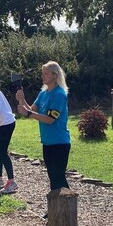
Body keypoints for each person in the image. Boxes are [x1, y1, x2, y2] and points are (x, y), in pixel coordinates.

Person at [16, 61, 71, 191]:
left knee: (59, 178)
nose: (42, 76)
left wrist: (28, 113)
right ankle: (56, 210)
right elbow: (32, 109)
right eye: (42, 73)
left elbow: (50, 119)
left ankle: (66, 208)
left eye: (45, 73)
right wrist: (21, 99)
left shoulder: (59, 94)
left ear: (55, 75)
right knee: (53, 177)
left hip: (59, 143)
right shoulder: (43, 93)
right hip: (47, 142)